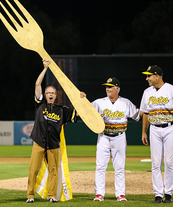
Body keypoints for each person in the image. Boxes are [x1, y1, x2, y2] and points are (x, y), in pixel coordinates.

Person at [26, 59, 78, 203]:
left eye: (52, 93)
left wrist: (81, 100)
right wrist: (45, 69)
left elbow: (77, 114)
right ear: (45, 94)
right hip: (39, 142)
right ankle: (30, 196)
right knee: (33, 170)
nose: (50, 94)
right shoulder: (40, 105)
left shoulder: (62, 110)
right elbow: (37, 84)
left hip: (54, 144)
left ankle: (52, 196)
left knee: (54, 171)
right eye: (48, 92)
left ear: (56, 96)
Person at [87, 77, 141, 202]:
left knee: (120, 167)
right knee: (100, 166)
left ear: (117, 88)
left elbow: (138, 115)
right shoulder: (99, 102)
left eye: (110, 87)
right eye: (106, 86)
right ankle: (99, 194)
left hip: (120, 137)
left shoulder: (126, 103)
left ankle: (120, 194)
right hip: (103, 137)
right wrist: (81, 99)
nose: (107, 89)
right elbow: (84, 111)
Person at [140, 65, 173, 204]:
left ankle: (169, 194)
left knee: (169, 162)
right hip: (154, 128)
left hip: (171, 128)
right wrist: (144, 131)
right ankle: (158, 194)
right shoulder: (147, 92)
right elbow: (146, 113)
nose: (147, 78)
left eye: (149, 76)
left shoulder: (172, 90)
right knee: (155, 163)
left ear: (157, 76)